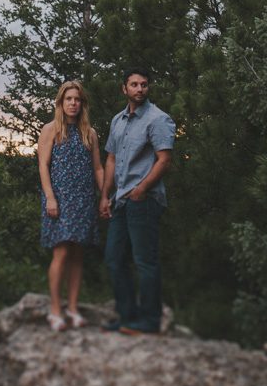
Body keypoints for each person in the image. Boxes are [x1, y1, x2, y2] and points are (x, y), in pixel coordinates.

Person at [102, 66, 174, 335]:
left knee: (145, 261)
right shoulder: (118, 121)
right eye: (134, 84)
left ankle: (149, 321)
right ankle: (127, 317)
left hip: (144, 199)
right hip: (120, 199)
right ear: (125, 88)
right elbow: (110, 158)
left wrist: (141, 190)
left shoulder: (158, 119)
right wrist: (105, 196)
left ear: (148, 88)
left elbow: (164, 160)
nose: (139, 89)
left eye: (144, 84)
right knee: (114, 259)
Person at [37, 79, 105, 332]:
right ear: (61, 102)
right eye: (69, 99)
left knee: (78, 254)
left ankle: (73, 308)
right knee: (62, 252)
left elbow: (98, 168)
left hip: (84, 198)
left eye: (77, 99)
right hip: (59, 198)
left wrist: (105, 196)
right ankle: (55, 310)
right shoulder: (51, 129)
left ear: (82, 103)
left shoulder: (90, 133)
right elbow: (43, 165)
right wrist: (50, 197)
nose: (73, 103)